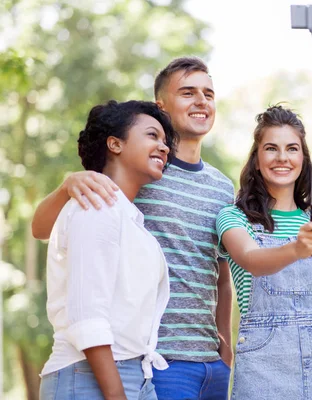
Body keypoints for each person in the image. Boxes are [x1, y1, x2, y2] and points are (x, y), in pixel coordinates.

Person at [32, 57, 235, 400]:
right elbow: (44, 228)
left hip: (207, 360)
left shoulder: (221, 186)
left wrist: (224, 343)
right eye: (188, 92)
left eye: (208, 93)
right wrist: (68, 184)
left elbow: (220, 270)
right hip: (154, 358)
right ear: (161, 106)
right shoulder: (137, 169)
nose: (201, 101)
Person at [39, 100, 178, 400]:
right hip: (90, 375)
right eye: (152, 136)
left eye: (165, 142)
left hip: (134, 374)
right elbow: (87, 317)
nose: (164, 148)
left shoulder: (126, 217)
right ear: (115, 143)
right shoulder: (96, 206)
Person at [216, 105, 312, 399]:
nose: (282, 158)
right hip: (264, 366)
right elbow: (251, 261)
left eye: (292, 148)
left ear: (303, 159)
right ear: (256, 160)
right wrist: (296, 248)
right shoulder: (234, 218)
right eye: (271, 148)